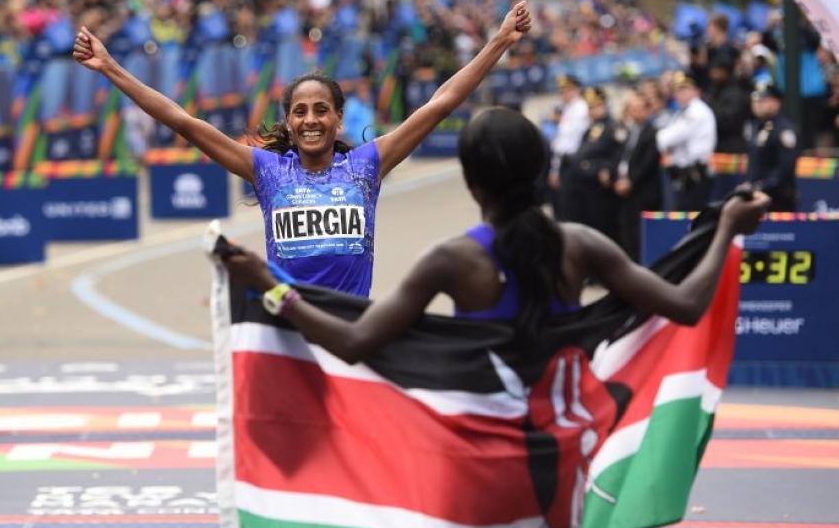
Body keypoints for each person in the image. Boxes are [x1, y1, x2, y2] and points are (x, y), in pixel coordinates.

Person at [223, 106, 769, 364]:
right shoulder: (582, 244)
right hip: (563, 445)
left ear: (470, 181)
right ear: (540, 173)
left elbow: (354, 343)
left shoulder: (451, 260)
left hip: (482, 456)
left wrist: (263, 283)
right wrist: (726, 229)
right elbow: (687, 305)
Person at [73, 0, 532, 296]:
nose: (310, 119)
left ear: (337, 118)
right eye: (300, 112)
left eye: (320, 110)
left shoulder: (366, 166)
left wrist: (499, 42)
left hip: (353, 332)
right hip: (287, 334)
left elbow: (441, 102)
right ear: (289, 123)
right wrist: (110, 66)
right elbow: (183, 122)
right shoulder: (267, 171)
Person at [566, 86, 623, 243]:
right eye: (589, 107)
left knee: (604, 231)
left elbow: (618, 153)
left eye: (595, 106)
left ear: (603, 105)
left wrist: (606, 168)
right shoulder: (591, 128)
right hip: (586, 187)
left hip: (601, 188)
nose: (591, 111)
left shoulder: (612, 127)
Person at [614, 89, 663, 262]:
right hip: (624, 190)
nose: (635, 112)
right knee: (627, 234)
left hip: (642, 191)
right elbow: (620, 157)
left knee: (639, 236)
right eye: (632, 109)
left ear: (647, 110)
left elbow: (647, 163)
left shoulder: (651, 132)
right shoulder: (628, 131)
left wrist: (630, 181)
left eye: (639, 109)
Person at [657, 71, 717, 211]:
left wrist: (662, 141)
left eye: (684, 89)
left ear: (695, 91)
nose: (679, 94)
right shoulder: (683, 111)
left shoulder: (696, 111)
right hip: (685, 176)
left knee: (691, 218)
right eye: (677, 90)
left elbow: (665, 139)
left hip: (695, 175)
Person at [747, 82, 799, 212]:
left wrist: (763, 186)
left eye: (763, 100)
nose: (757, 104)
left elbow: (785, 166)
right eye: (755, 100)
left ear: (776, 103)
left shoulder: (784, 130)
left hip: (778, 198)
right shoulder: (756, 126)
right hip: (756, 196)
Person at [548, 74, 590, 221]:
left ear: (574, 90)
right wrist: (555, 169)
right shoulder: (567, 109)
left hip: (574, 163)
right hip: (564, 163)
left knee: (571, 211)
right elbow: (560, 143)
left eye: (566, 90)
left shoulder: (581, 108)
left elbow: (572, 142)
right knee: (562, 209)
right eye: (561, 91)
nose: (562, 94)